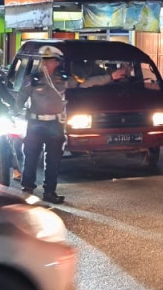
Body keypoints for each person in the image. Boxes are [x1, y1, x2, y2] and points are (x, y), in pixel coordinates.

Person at [16, 46, 127, 203]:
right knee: (31, 157)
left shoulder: (63, 79)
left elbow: (87, 82)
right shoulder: (32, 80)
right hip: (35, 124)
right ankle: (27, 189)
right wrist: (15, 114)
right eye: (44, 60)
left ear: (57, 63)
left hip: (55, 124)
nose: (46, 63)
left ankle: (50, 192)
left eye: (50, 60)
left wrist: (111, 77)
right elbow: (19, 101)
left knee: (53, 160)